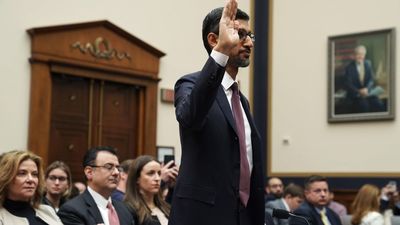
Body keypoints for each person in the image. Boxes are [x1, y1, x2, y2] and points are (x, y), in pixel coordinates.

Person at [171, 0, 264, 224]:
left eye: (250, 35)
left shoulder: (242, 101)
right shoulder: (190, 84)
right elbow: (190, 116)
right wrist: (221, 51)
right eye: (240, 34)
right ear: (214, 39)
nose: (249, 43)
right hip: (203, 216)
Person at [57, 146, 135, 225]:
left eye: (117, 168)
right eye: (109, 167)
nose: (116, 172)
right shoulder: (72, 210)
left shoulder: (125, 209)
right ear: (89, 172)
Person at [0, 150, 63, 224]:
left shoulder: (48, 211)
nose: (31, 179)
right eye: (22, 173)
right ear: (5, 177)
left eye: (34, 174)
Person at [124, 155, 170, 225]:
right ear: (137, 178)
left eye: (159, 173)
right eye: (151, 173)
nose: (157, 178)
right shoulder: (128, 209)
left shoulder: (166, 207)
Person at [344, 45, 384, 113]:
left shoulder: (367, 64)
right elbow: (348, 84)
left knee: (379, 104)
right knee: (364, 106)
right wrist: (359, 91)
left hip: (367, 93)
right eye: (358, 54)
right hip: (356, 95)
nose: (360, 56)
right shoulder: (349, 67)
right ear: (354, 55)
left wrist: (367, 89)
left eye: (362, 54)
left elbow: (371, 80)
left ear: (364, 55)